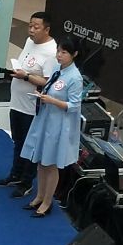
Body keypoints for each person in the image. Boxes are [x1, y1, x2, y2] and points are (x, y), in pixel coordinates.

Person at [19, 40, 87, 218]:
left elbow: (74, 106)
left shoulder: (75, 77)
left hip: (59, 125)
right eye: (58, 51)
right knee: (41, 160)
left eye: (64, 52)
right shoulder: (57, 70)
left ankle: (47, 202)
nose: (59, 55)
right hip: (46, 119)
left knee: (50, 164)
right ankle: (39, 196)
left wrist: (52, 101)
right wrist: (42, 96)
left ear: (74, 55)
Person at [0, 13, 59, 194]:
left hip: (32, 107)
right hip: (17, 102)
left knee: (30, 145)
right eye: (30, 26)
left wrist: (26, 77)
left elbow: (48, 82)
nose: (31, 30)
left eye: (36, 27)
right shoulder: (29, 42)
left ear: (47, 29)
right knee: (18, 141)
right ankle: (15, 174)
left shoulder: (51, 52)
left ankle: (26, 182)